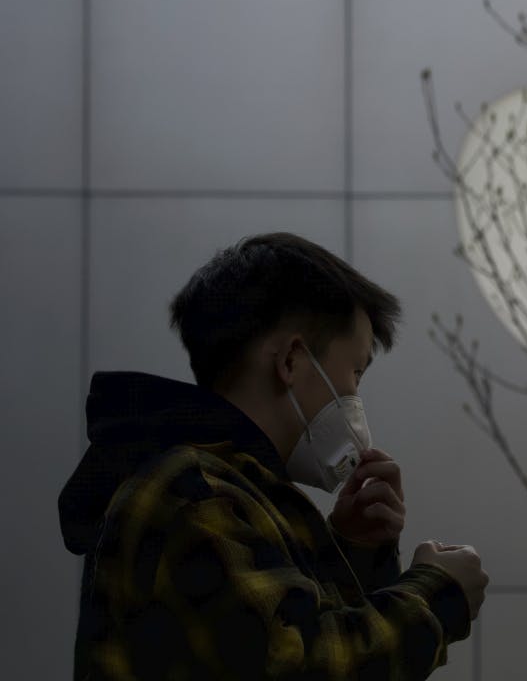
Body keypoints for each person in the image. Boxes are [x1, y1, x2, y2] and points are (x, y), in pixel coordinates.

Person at [58, 232, 489, 679]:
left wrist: (354, 552)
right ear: (292, 360)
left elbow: (275, 633)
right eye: (355, 372)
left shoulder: (223, 489)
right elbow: (299, 664)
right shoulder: (195, 496)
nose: (355, 397)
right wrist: (437, 595)